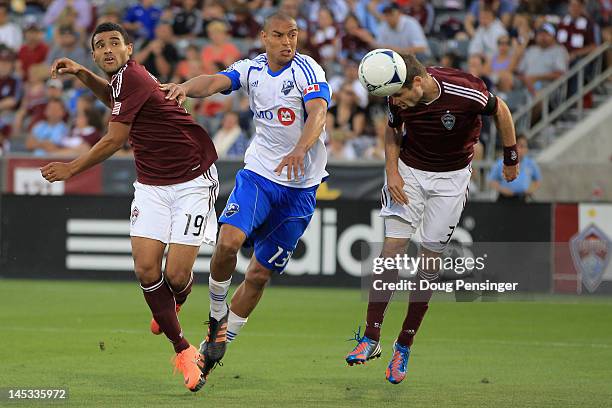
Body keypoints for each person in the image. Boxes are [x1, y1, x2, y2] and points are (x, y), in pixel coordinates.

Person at [41, 22, 218, 392]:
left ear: (130, 49)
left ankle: (177, 300)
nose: (107, 49)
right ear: (94, 54)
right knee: (145, 267)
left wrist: (71, 168)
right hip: (152, 185)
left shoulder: (133, 75)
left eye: (114, 43)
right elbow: (112, 98)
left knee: (175, 276)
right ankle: (183, 350)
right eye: (99, 45)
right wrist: (80, 73)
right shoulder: (122, 81)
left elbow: (115, 138)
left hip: (191, 180)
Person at [160, 12, 330, 385]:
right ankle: (217, 315)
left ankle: (214, 345)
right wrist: (185, 87)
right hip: (259, 175)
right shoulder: (251, 70)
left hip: (301, 188)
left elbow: (318, 113)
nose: (288, 42)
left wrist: (301, 148)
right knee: (228, 242)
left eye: (294, 35)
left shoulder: (308, 70)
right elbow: (216, 80)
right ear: (264, 36)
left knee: (259, 273)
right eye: (280, 35)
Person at [344, 54, 519, 384]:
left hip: (451, 180)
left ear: (419, 83)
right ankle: (370, 338)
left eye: (399, 95)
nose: (395, 102)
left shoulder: (466, 91)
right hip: (409, 173)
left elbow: (502, 111)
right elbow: (392, 132)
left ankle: (404, 345)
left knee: (429, 262)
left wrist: (510, 156)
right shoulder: (398, 94)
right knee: (390, 251)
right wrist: (392, 172)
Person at [488, 134, 540, 202]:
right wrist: (502, 189)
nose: (522, 150)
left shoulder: (531, 164)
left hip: (523, 199)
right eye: (520, 146)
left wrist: (530, 189)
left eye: (524, 147)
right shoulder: (502, 162)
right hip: (505, 199)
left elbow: (537, 181)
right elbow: (491, 180)